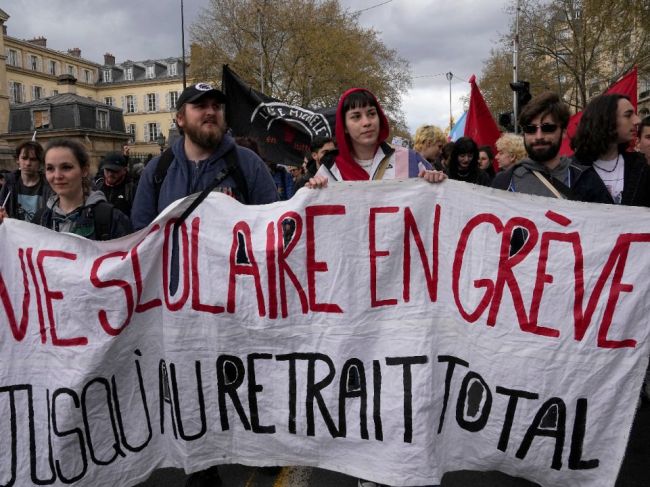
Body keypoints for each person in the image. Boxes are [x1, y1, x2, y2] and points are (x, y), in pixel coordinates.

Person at [131, 82, 278, 231]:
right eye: (200, 106)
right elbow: (143, 237)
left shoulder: (249, 164)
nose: (211, 112)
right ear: (180, 119)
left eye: (216, 106)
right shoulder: (157, 170)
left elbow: (272, 226)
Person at [307, 88, 445, 187]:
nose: (367, 122)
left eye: (371, 114)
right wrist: (313, 191)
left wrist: (437, 181)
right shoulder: (330, 170)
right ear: (344, 127)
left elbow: (442, 201)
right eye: (356, 117)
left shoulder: (411, 160)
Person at [0, 139, 132, 239]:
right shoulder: (41, 218)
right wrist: (8, 227)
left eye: (66, 167)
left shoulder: (111, 219)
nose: (57, 176)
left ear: (84, 170)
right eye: (50, 168)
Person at [492, 91, 584, 197]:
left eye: (548, 128)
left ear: (563, 132)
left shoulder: (585, 178)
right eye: (530, 129)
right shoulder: (503, 182)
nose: (539, 136)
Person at [571, 94, 650, 206]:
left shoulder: (641, 165)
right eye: (628, 115)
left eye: (635, 114)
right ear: (605, 120)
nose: (637, 120)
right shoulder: (572, 170)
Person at [0, 141, 53, 222]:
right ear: (17, 160)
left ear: (40, 162)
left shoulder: (49, 185)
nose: (28, 163)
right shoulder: (10, 183)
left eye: (33, 159)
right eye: (24, 158)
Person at [94, 151, 137, 217]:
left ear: (124, 171)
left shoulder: (131, 190)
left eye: (115, 171)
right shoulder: (98, 188)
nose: (110, 174)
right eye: (107, 170)